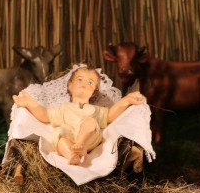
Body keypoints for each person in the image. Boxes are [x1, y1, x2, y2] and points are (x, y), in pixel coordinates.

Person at [12, 67, 145, 165]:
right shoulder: (64, 108)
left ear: (94, 92)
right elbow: (45, 115)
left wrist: (125, 101)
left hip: (89, 139)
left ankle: (81, 144)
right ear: (70, 86)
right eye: (80, 79)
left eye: (90, 82)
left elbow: (110, 115)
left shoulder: (95, 109)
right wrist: (29, 103)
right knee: (60, 137)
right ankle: (71, 155)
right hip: (69, 136)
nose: (84, 83)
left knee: (90, 122)